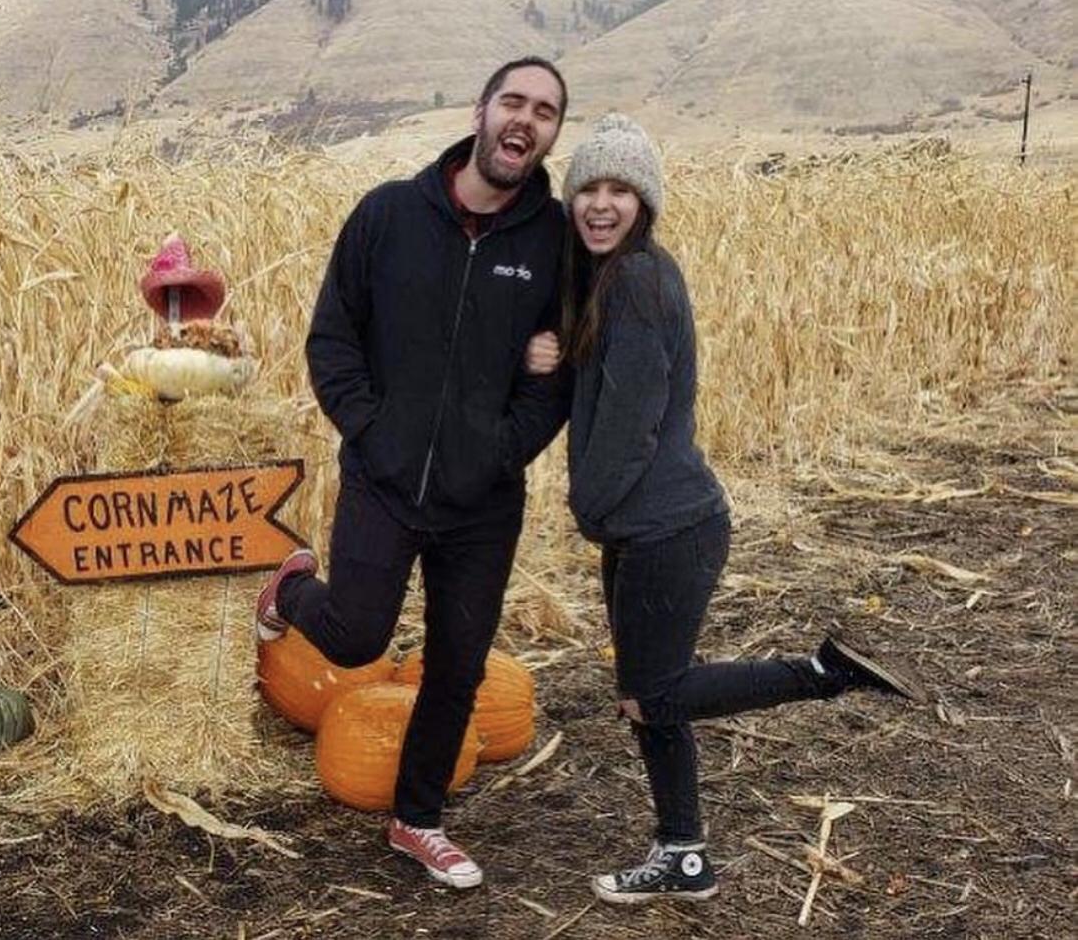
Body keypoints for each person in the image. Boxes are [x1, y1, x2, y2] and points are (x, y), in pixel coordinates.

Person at [527, 113, 926, 906]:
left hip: (665, 527)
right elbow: (607, 388)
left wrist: (586, 506)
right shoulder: (619, 281)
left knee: (652, 695)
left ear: (645, 202)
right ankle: (682, 854)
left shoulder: (637, 278)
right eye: (588, 189)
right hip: (652, 525)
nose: (601, 205)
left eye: (621, 191)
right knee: (651, 693)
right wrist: (558, 357)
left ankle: (822, 672)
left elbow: (634, 420)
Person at [255, 57, 571, 890]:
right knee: (357, 636)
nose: (524, 120)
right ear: (479, 111)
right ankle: (287, 592)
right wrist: (373, 432)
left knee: (459, 662)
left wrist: (501, 452)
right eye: (513, 100)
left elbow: (558, 374)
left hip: (483, 501)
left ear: (551, 135)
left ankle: (417, 820)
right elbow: (332, 339)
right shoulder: (388, 215)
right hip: (384, 482)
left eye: (544, 112)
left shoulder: (555, 242)